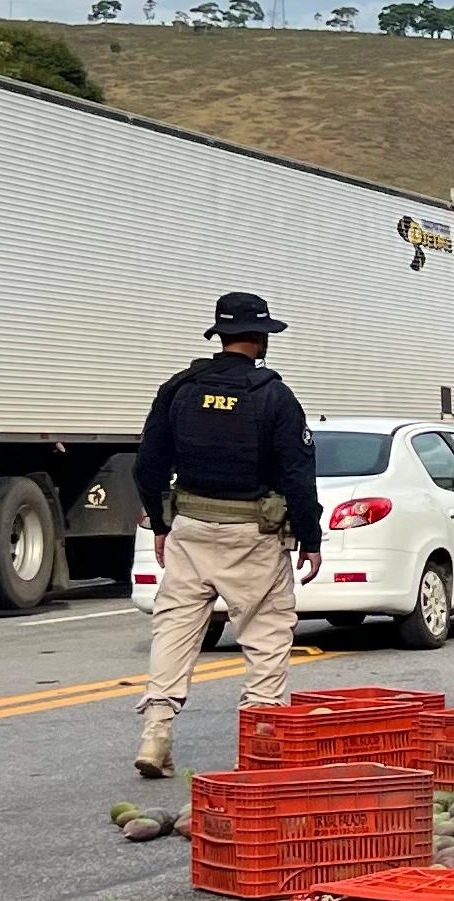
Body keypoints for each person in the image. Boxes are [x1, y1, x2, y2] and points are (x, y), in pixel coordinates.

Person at [130, 291, 322, 778]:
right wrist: (311, 536)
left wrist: (158, 519)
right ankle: (258, 744)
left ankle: (156, 731)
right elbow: (298, 473)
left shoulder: (180, 388)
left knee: (174, 627)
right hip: (253, 535)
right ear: (260, 340)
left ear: (221, 336)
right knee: (266, 634)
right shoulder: (274, 396)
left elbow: (148, 464)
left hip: (190, 529)